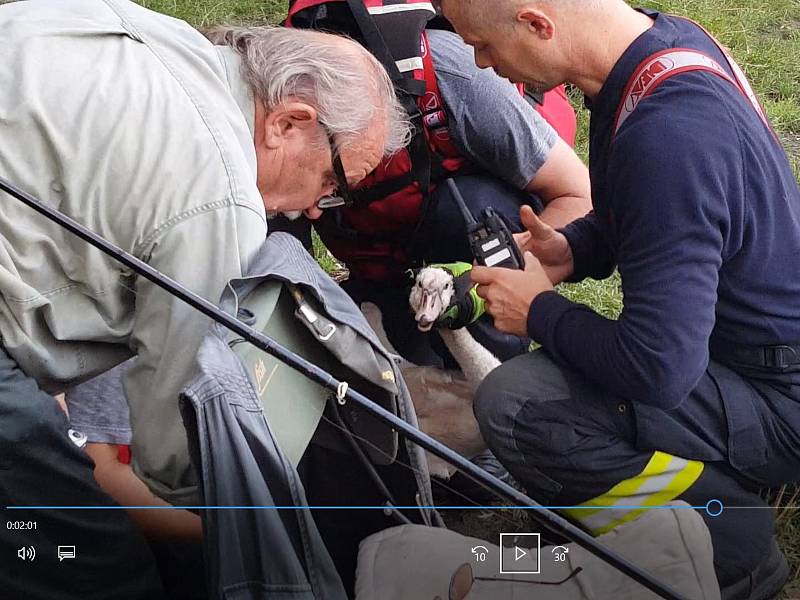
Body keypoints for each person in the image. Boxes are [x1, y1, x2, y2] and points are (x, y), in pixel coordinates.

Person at [0, 1, 409, 598]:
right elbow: (175, 455)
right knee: (92, 560)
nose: (320, 207)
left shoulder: (165, 36)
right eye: (335, 180)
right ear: (289, 122)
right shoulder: (222, 194)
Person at [438, 0, 800, 598]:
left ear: (536, 23)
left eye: (483, 43)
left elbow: (659, 368)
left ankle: (728, 544)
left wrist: (538, 312)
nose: (481, 63)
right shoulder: (661, 49)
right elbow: (669, 212)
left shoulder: (668, 137)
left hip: (776, 398)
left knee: (516, 402)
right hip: (756, 354)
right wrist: (573, 249)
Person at [287, 1, 592, 369]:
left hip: (470, 226)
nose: (314, 211)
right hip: (383, 257)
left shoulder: (458, 76)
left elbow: (579, 194)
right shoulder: (271, 105)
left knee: (476, 208)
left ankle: (503, 376)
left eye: (332, 183)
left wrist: (499, 282)